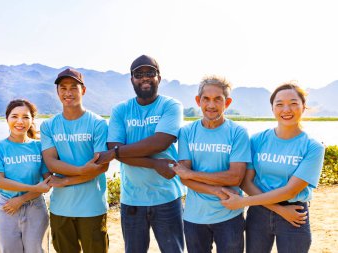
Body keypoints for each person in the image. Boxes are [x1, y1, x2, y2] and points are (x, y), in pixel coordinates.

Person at [221, 83, 325, 253]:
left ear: (303, 107)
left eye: (293, 103)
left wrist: (243, 202)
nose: (286, 109)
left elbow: (290, 191)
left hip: (295, 214)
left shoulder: (313, 147)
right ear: (272, 108)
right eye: (279, 104)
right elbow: (246, 182)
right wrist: (279, 210)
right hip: (259, 213)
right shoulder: (257, 140)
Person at [97, 55, 186, 253]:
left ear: (159, 78)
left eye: (150, 73)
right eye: (139, 74)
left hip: (167, 197)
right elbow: (114, 147)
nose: (144, 78)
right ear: (132, 80)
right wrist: (154, 164)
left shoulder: (171, 106)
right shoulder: (121, 110)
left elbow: (160, 142)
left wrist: (117, 152)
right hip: (132, 199)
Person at [172, 76, 251, 253]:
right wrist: (216, 190)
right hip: (194, 216)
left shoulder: (238, 133)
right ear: (198, 101)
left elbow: (235, 177)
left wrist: (191, 173)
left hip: (229, 213)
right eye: (206, 99)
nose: (211, 105)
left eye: (218, 99)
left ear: (227, 102)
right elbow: (184, 179)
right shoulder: (186, 132)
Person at [40, 68, 111, 253]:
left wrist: (65, 180)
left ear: (83, 90)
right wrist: (82, 170)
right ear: (57, 92)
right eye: (63, 88)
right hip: (60, 207)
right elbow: (51, 162)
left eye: (73, 87)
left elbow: (101, 166)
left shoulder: (98, 123)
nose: (68, 92)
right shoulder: (48, 125)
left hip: (92, 207)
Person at [0, 99, 51, 253]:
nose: (20, 121)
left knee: (37, 250)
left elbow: (47, 182)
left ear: (32, 120)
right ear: (7, 119)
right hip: (7, 208)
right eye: (14, 116)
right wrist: (33, 187)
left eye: (26, 117)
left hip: (36, 207)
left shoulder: (39, 147)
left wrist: (22, 199)